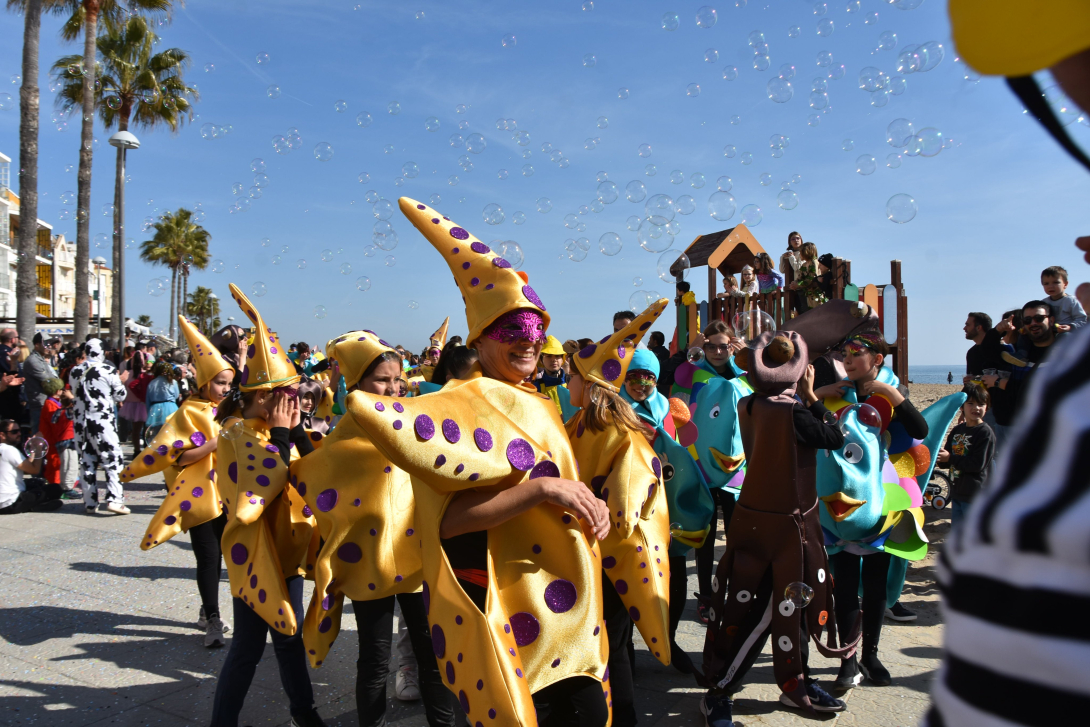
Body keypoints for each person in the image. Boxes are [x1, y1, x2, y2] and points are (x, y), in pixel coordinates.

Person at [343, 198, 612, 726]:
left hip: (569, 607)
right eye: (512, 333)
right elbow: (447, 521)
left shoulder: (536, 399)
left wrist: (585, 502)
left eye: (536, 333)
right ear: (482, 338)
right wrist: (543, 491)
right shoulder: (459, 404)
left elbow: (556, 478)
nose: (528, 345)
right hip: (504, 604)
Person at [291, 330, 460, 727]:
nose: (393, 387)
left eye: (396, 379)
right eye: (382, 379)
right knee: (374, 658)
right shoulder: (344, 435)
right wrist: (291, 435)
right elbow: (314, 474)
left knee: (432, 654)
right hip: (368, 563)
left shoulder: (411, 422)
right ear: (359, 383)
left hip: (418, 558)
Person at [701, 332, 853, 726]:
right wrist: (814, 397)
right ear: (800, 373)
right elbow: (835, 438)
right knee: (768, 610)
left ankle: (794, 683)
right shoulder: (795, 412)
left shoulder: (751, 404)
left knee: (788, 607)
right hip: (789, 528)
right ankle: (719, 692)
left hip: (757, 517)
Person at [210, 284, 325, 727]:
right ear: (263, 397)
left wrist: (296, 432)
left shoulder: (281, 428)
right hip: (258, 556)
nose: (297, 402)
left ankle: (303, 712)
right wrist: (281, 433)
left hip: (290, 555)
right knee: (248, 647)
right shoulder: (237, 432)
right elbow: (267, 480)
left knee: (289, 637)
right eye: (288, 395)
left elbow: (317, 474)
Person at [814, 331, 929, 681]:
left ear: (877, 359)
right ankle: (848, 660)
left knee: (876, 587)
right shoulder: (836, 392)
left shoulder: (891, 391)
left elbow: (920, 429)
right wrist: (816, 395)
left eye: (855, 352)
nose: (847, 358)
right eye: (844, 352)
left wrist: (895, 397)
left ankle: (871, 656)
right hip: (843, 502)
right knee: (846, 586)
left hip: (882, 501)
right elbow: (804, 426)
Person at [121, 316, 237, 648]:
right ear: (203, 382)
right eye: (219, 383)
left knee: (221, 554)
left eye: (228, 384)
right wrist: (216, 442)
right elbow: (177, 458)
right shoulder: (186, 414)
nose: (225, 390)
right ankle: (213, 618)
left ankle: (206, 607)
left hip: (226, 493)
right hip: (200, 497)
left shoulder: (226, 410)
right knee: (208, 555)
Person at [70, 339, 129, 515]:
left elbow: (75, 393)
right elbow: (121, 395)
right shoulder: (108, 370)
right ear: (101, 351)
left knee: (86, 461)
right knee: (112, 459)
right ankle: (115, 500)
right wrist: (121, 380)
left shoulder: (75, 371)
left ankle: (89, 502)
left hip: (81, 423)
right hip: (102, 422)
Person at [938, 384, 995, 528]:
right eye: (971, 404)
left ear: (986, 407)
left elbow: (977, 464)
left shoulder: (984, 433)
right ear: (962, 407)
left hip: (975, 493)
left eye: (981, 404)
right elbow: (946, 461)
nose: (976, 408)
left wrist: (950, 458)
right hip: (957, 490)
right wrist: (939, 458)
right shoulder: (958, 430)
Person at [0, 419, 56, 514]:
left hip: (3, 500)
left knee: (37, 482)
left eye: (19, 430)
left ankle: (34, 504)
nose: (19, 434)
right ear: (2, 435)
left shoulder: (4, 449)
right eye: (14, 432)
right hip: (10, 503)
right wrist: (39, 447)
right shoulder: (9, 450)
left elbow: (25, 469)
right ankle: (32, 506)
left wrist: (32, 450)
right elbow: (34, 470)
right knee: (54, 489)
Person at [38, 378, 79, 499]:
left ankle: (60, 486)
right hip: (56, 440)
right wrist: (71, 398)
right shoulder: (51, 405)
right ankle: (61, 488)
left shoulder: (54, 405)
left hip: (57, 440)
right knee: (64, 464)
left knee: (62, 464)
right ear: (57, 391)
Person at [535, 335, 579, 422]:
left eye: (557, 356)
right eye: (549, 356)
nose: (554, 360)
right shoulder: (536, 386)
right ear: (541, 360)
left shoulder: (573, 382)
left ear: (562, 359)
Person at [23, 333, 58, 435]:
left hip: (47, 404)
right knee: (40, 438)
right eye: (45, 343)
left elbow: (54, 378)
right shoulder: (32, 361)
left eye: (49, 344)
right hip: (39, 407)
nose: (49, 346)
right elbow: (52, 381)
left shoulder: (41, 360)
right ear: (37, 345)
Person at [143, 360, 180, 442]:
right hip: (170, 407)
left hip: (155, 408)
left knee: (156, 434)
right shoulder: (173, 382)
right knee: (171, 432)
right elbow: (176, 395)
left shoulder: (152, 383)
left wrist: (149, 411)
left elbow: (148, 399)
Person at [1041, 264, 1087, 330]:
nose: (1050, 286)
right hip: (1049, 333)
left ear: (1065, 284)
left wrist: (1070, 327)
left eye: (1055, 282)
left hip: (1067, 334)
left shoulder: (1071, 301)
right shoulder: (1043, 303)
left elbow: (1081, 319)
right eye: (1046, 283)